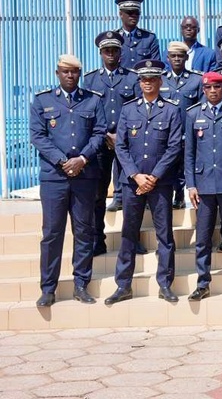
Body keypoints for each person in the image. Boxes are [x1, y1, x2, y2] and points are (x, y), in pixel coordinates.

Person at [106, 59, 184, 306]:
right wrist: (136, 175)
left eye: (152, 79)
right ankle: (123, 285)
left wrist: (154, 176)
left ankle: (165, 284)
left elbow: (174, 147)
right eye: (143, 79)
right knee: (129, 233)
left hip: (160, 183)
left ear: (160, 81)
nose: (147, 83)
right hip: (132, 184)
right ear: (139, 83)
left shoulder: (171, 110)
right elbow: (121, 146)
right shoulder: (129, 109)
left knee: (165, 235)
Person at [30, 54, 106, 306]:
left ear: (80, 73)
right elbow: (38, 136)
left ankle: (81, 284)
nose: (70, 75)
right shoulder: (43, 100)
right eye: (65, 71)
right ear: (57, 73)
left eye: (74, 71)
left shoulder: (93, 100)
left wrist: (82, 159)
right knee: (52, 233)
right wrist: (63, 161)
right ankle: (48, 288)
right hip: (54, 177)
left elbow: (99, 133)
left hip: (85, 176)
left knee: (84, 231)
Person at [184, 72, 222, 302]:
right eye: (209, 87)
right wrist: (191, 185)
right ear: (203, 89)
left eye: (217, 87)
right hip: (203, 186)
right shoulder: (193, 114)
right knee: (202, 238)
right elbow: (189, 153)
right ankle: (203, 283)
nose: (213, 91)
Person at [82, 31, 140, 248]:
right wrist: (105, 135)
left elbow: (137, 110)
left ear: (120, 52)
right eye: (107, 50)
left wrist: (120, 135)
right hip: (101, 142)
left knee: (131, 193)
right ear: (100, 53)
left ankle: (132, 241)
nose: (111, 54)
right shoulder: (90, 79)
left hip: (127, 142)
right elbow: (87, 112)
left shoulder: (132, 78)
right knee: (98, 192)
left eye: (114, 50)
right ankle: (98, 239)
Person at [161, 41, 204, 209]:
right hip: (166, 132)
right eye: (173, 56)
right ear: (168, 58)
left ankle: (180, 195)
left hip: (188, 131)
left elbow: (200, 108)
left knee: (187, 165)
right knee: (166, 165)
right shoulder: (161, 79)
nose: (177, 59)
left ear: (186, 58)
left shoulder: (196, 79)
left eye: (180, 56)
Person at [114, 0, 160, 70]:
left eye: (137, 13)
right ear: (121, 14)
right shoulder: (115, 38)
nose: (134, 16)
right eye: (130, 12)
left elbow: (156, 66)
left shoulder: (149, 38)